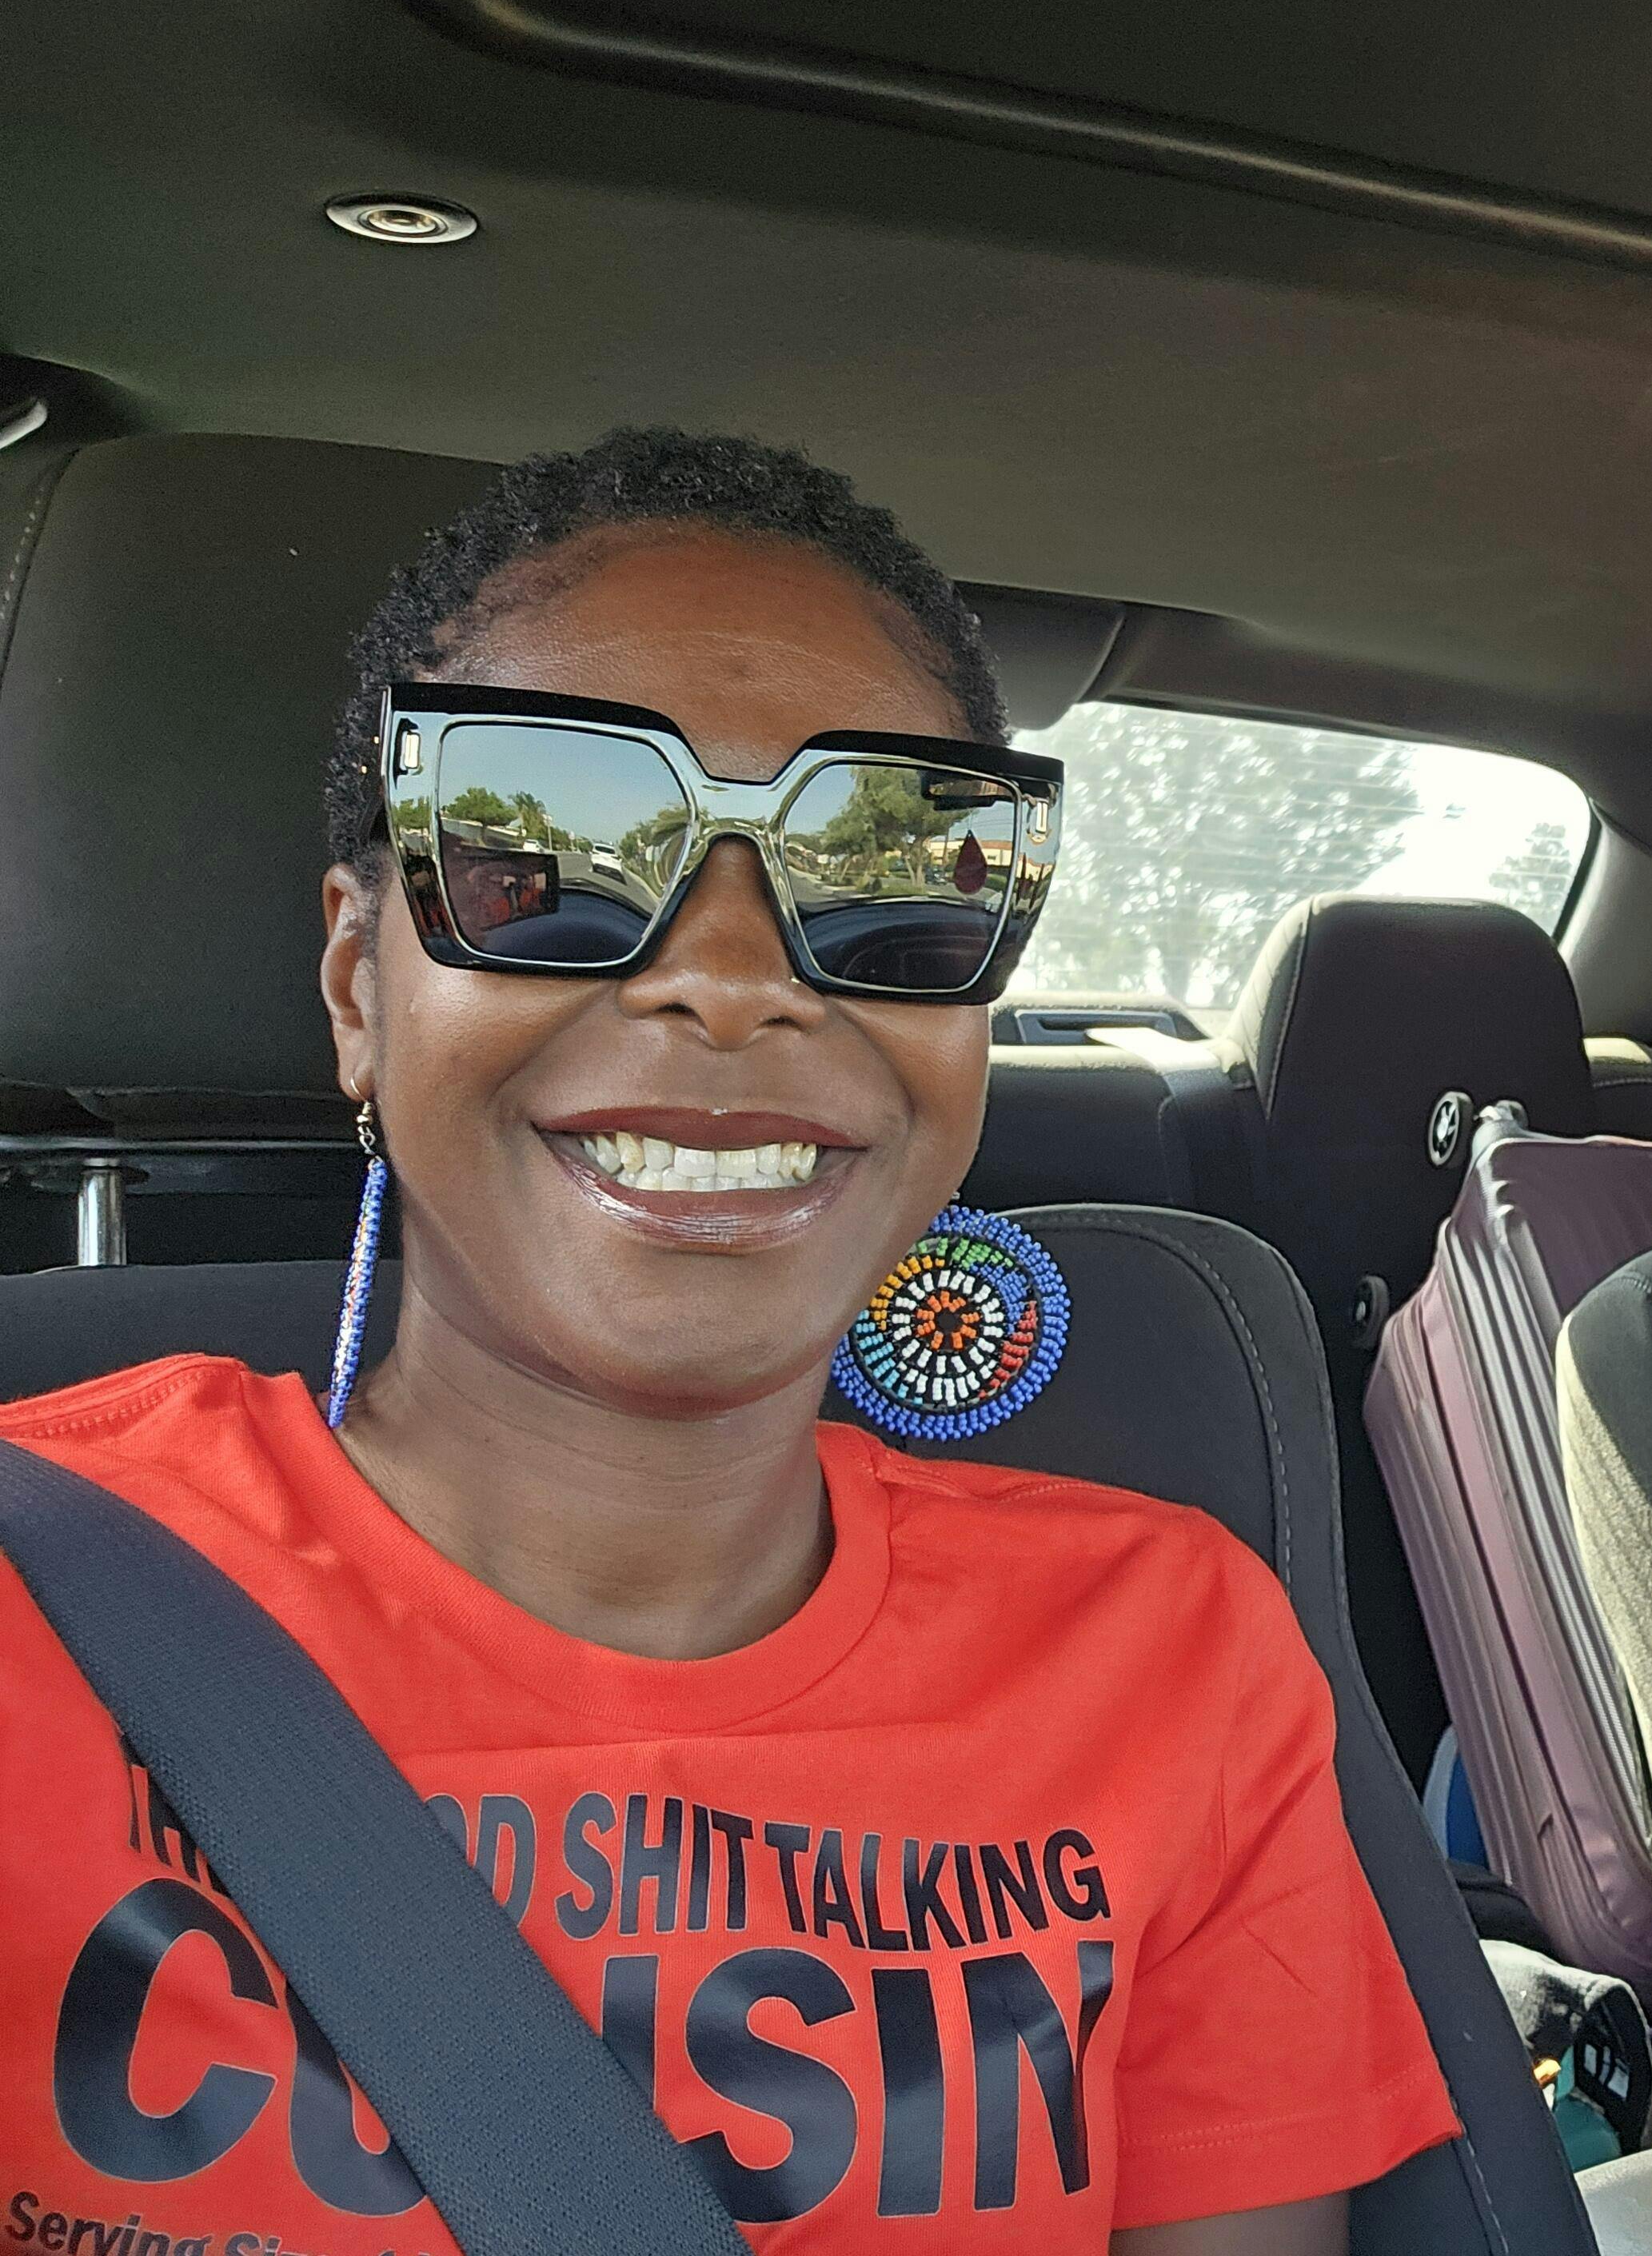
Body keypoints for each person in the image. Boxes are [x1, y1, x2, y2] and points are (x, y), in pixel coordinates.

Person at [0, 429, 1455, 2250]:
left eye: (884, 869)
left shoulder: (1174, 1653)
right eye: (552, 848)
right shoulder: (37, 1601)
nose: (733, 976)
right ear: (362, 986)